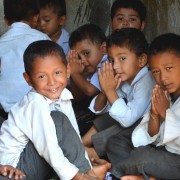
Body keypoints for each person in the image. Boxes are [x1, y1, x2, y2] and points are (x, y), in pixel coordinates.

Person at [0, 40, 111, 180]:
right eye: (42, 76)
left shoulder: (64, 95)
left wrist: (87, 169)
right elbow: (50, 150)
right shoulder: (35, 104)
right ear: (28, 79)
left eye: (57, 72)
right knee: (57, 120)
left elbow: (74, 137)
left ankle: (89, 173)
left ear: (68, 71)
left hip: (33, 164)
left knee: (61, 123)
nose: (52, 82)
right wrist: (80, 177)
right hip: (15, 170)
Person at [107, 33, 180, 180]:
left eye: (169, 68)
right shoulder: (164, 94)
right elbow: (152, 137)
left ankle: (113, 174)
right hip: (162, 153)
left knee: (143, 156)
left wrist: (165, 113)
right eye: (156, 72)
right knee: (116, 142)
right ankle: (143, 176)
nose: (163, 78)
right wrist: (155, 114)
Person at [82, 28, 155, 159]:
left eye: (122, 58)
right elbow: (100, 110)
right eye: (111, 60)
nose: (115, 66)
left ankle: (93, 152)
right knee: (112, 113)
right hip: (128, 122)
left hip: (144, 132)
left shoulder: (147, 81)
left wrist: (110, 91)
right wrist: (105, 92)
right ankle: (82, 142)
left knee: (123, 123)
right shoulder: (125, 79)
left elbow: (128, 120)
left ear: (142, 60)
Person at [0, 0, 50, 120]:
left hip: (9, 115)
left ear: (6, 20)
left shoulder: (1, 43)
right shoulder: (44, 39)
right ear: (36, 17)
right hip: (41, 110)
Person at [67, 24, 107, 136]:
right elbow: (78, 96)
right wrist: (74, 74)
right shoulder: (90, 65)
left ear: (103, 49)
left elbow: (90, 91)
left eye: (86, 53)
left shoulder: (106, 63)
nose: (83, 60)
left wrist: (75, 73)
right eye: (78, 57)